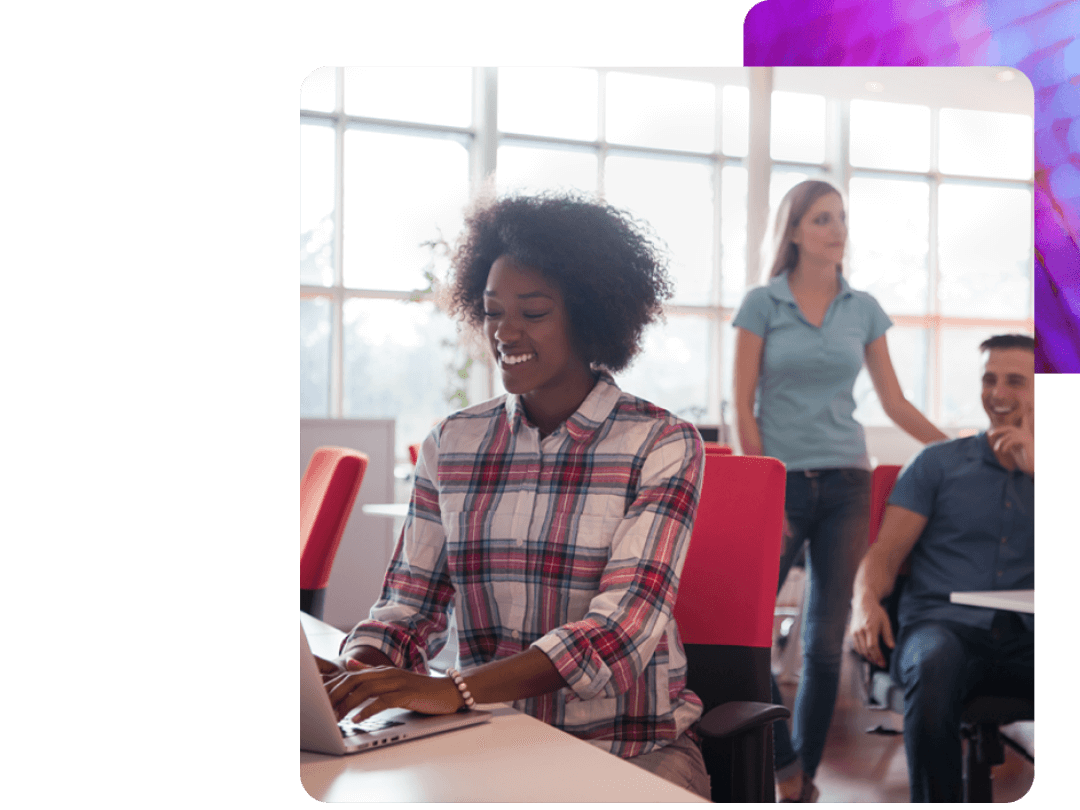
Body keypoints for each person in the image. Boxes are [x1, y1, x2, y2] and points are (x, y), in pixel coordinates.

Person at [316, 190, 711, 800]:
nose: (505, 331)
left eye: (534, 311)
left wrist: (459, 689)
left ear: (588, 314)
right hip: (484, 738)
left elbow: (620, 632)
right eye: (494, 310)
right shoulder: (454, 442)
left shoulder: (660, 443)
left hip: (630, 747)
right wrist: (360, 674)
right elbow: (408, 605)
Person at [732, 179, 949, 802]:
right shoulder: (762, 304)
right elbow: (743, 405)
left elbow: (895, 402)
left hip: (848, 482)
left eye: (842, 217)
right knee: (749, 637)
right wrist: (761, 488)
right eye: (823, 218)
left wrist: (959, 447)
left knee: (826, 646)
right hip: (782, 482)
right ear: (795, 230)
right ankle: (785, 762)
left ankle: (805, 783)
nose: (837, 228)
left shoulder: (863, 308)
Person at [850, 334, 1034, 803]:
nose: (998, 393)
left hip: (1025, 634)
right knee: (931, 665)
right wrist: (865, 602)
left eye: (1016, 381)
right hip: (942, 626)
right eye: (990, 379)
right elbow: (886, 553)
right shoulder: (936, 464)